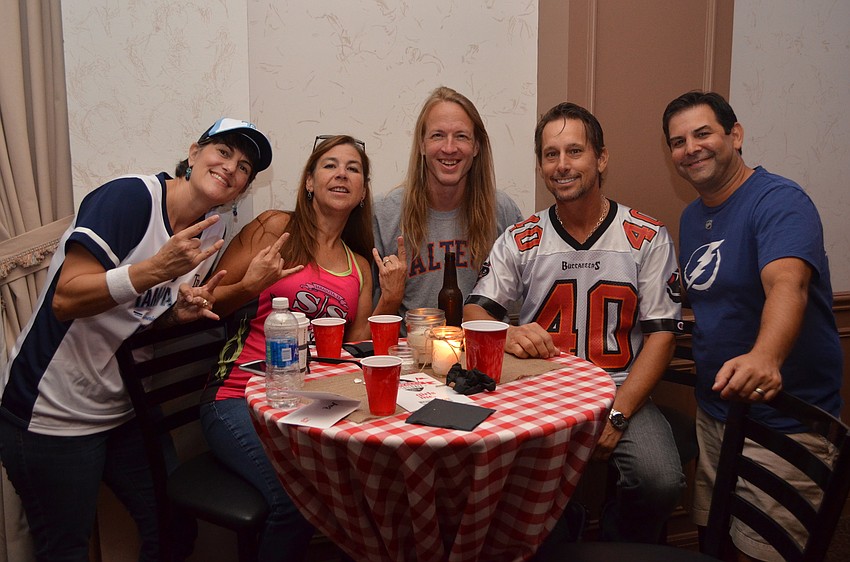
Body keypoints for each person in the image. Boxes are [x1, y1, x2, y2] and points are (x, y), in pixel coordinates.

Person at [0, 117, 272, 560]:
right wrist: (154, 270)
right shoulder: (130, 197)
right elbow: (66, 299)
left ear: (242, 189)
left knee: (173, 531)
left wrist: (177, 315)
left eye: (244, 167)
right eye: (223, 152)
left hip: (124, 411)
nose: (230, 168)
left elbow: (139, 317)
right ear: (193, 152)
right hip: (50, 415)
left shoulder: (210, 233)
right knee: (64, 550)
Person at [465, 102, 685, 544]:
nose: (562, 165)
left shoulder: (646, 235)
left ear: (601, 158)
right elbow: (475, 312)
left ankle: (617, 544)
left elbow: (662, 336)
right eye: (551, 154)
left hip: (621, 388)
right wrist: (505, 331)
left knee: (659, 480)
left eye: (574, 151)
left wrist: (619, 413)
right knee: (493, 479)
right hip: (539, 390)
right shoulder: (521, 238)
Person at [200, 134, 402, 561]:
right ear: (309, 181)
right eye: (330, 165)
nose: (342, 174)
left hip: (307, 403)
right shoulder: (274, 228)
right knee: (293, 502)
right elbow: (207, 300)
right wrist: (252, 283)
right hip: (238, 397)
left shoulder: (359, 266)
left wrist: (391, 298)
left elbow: (355, 351)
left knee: (372, 484)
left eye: (353, 168)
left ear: (363, 191)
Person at [662, 90, 842, 561]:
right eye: (678, 142)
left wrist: (767, 357)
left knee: (768, 551)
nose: (691, 148)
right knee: (715, 538)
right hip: (717, 412)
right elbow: (716, 298)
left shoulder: (779, 201)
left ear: (735, 135)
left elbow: (789, 284)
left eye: (703, 134)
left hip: (783, 420)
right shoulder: (692, 214)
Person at [372, 86, 523, 321]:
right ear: (422, 145)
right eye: (437, 135)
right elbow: (369, 323)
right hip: (413, 352)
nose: (449, 148)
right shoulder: (384, 214)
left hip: (485, 351)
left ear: (476, 147)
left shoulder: (503, 211)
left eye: (461, 136)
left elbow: (519, 311)